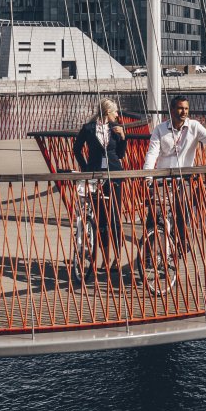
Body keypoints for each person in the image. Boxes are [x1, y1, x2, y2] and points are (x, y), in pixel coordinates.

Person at [142, 96, 206, 255]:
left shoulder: (194, 126)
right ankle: (147, 252)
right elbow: (151, 154)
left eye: (186, 109)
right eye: (180, 108)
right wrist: (148, 177)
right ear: (172, 110)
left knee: (182, 213)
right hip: (161, 178)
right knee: (155, 214)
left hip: (184, 179)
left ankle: (180, 244)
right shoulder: (160, 129)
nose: (184, 112)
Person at [72, 98, 128, 285]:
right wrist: (86, 167)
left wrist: (123, 138)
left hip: (114, 174)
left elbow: (120, 154)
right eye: (115, 112)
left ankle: (117, 258)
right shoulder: (88, 128)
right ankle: (104, 257)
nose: (117, 115)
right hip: (95, 173)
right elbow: (77, 149)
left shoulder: (116, 128)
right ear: (107, 111)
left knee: (115, 216)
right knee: (101, 219)